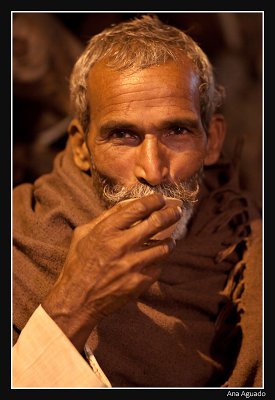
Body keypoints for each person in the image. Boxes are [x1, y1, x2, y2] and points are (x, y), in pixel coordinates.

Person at [12, 14, 262, 388]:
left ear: (212, 141)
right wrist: (73, 305)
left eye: (177, 131)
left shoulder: (247, 247)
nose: (154, 170)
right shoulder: (20, 237)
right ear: (81, 146)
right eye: (123, 134)